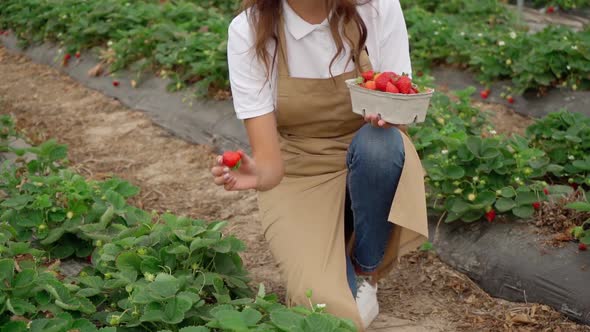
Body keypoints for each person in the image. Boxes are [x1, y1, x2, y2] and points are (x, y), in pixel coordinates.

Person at [211, 0, 429, 330]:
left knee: (380, 145)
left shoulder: (377, 7)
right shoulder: (249, 31)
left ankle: (364, 267)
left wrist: (385, 113)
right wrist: (258, 174)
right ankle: (334, 266)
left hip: (369, 156)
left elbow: (399, 118)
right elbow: (272, 167)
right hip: (300, 171)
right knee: (324, 312)